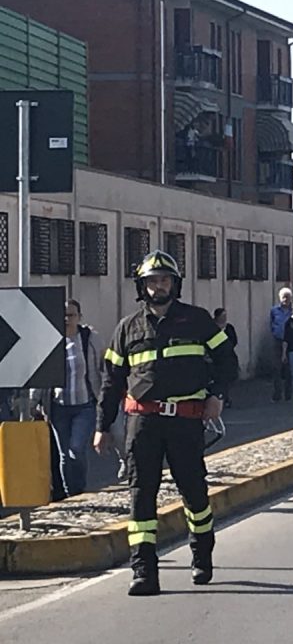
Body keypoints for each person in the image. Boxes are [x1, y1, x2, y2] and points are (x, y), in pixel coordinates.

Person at [94, 251, 237, 596]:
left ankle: (201, 554)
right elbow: (111, 381)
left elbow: (227, 362)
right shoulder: (127, 328)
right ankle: (143, 571)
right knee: (141, 495)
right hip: (142, 422)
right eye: (152, 281)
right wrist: (102, 426)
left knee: (194, 492)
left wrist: (217, 396)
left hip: (186, 422)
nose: (159, 286)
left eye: (165, 280)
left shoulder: (198, 320)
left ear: (175, 284)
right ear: (141, 287)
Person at [32, 299, 104, 499]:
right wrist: (33, 402)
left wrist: (107, 397)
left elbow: (102, 369)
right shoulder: (51, 341)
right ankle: (72, 494)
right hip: (59, 407)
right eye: (64, 315)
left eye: (71, 315)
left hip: (84, 406)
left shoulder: (90, 340)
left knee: (76, 449)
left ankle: (79, 487)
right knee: (64, 454)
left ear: (79, 317)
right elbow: (42, 374)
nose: (67, 319)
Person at [270, 287, 293, 401]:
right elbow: (272, 323)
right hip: (277, 340)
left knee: (289, 368)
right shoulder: (274, 310)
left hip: (290, 341)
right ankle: (277, 394)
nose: (285, 299)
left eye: (287, 297)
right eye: (283, 297)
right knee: (276, 367)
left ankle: (288, 394)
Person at [213, 308, 239, 409]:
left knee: (227, 378)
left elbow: (234, 340)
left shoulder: (229, 328)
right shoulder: (212, 327)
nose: (224, 318)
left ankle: (226, 397)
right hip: (214, 358)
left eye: (225, 316)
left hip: (228, 356)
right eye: (222, 316)